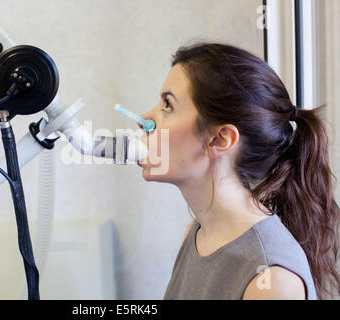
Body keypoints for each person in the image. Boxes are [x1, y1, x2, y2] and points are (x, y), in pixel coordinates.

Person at [137, 42, 339, 300]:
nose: (145, 119)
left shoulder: (272, 281)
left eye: (167, 105)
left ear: (220, 140)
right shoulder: (198, 233)